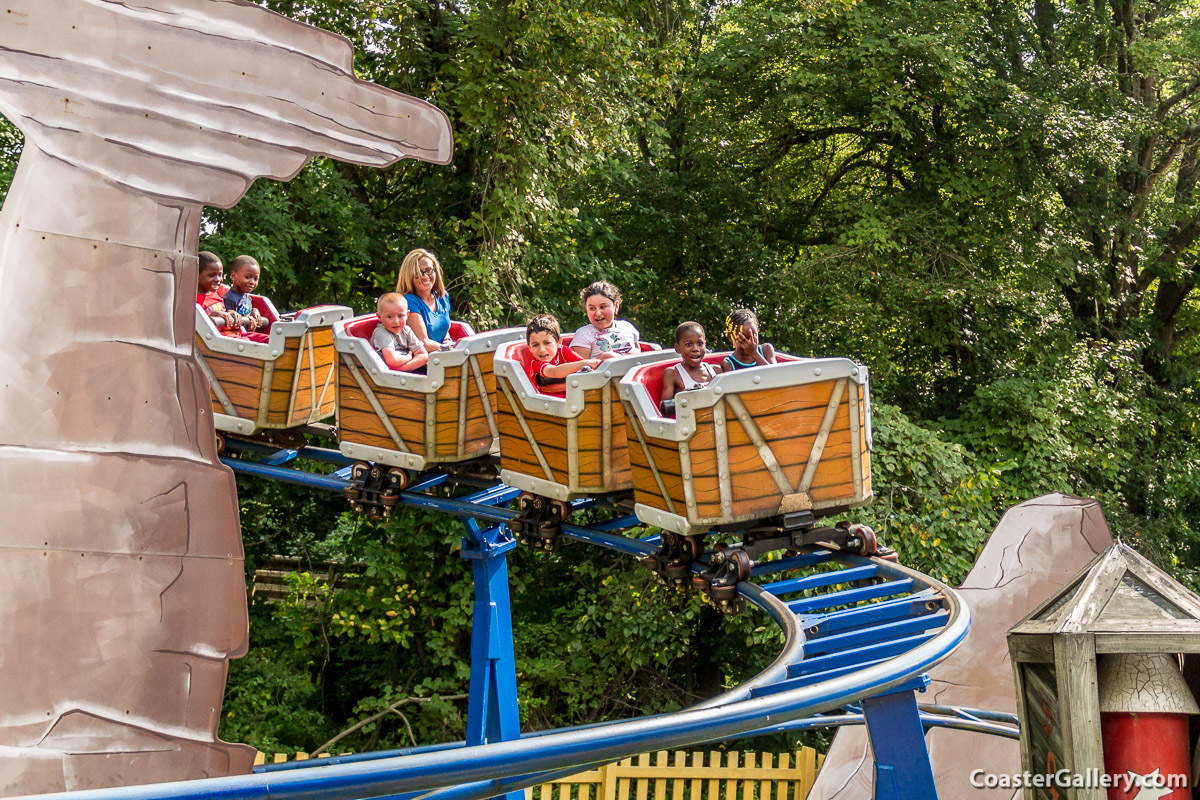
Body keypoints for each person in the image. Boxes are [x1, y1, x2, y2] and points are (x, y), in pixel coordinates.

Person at [526, 314, 600, 396]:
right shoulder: (536, 363)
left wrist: (564, 387)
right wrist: (585, 362)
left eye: (547, 343)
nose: (542, 349)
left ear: (559, 342)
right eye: (535, 345)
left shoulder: (564, 351)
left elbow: (586, 371)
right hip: (548, 402)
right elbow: (555, 372)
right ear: (530, 348)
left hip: (573, 398)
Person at [396, 248, 453, 352]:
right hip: (425, 360)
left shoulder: (442, 296)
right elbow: (424, 343)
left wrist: (447, 341)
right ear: (409, 277)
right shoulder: (408, 301)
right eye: (418, 273)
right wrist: (453, 350)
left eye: (429, 270)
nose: (425, 277)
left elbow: (443, 331)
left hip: (444, 354)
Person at [570, 281, 640, 360]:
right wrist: (602, 360)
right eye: (592, 308)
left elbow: (642, 359)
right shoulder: (583, 334)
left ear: (616, 306)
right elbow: (579, 368)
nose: (598, 313)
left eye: (603, 307)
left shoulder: (627, 327)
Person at [661, 321, 719, 405]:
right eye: (688, 344)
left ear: (705, 345)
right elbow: (665, 407)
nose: (695, 349)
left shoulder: (716, 371)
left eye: (700, 343)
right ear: (678, 348)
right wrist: (685, 397)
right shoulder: (673, 373)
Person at [372, 293, 429, 373]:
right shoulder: (382, 332)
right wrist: (409, 357)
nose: (396, 321)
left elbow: (423, 356)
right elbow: (393, 361)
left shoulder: (406, 330)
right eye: (390, 317)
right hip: (388, 378)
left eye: (400, 316)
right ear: (379, 317)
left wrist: (404, 368)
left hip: (403, 372)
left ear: (407, 315)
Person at [222, 255, 268, 335]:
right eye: (247, 277)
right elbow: (227, 326)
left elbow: (245, 316)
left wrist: (253, 312)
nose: (252, 282)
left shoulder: (248, 298)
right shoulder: (229, 299)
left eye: (255, 279)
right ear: (233, 276)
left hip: (244, 334)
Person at [196, 251, 237, 330]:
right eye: (212, 275)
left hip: (232, 333)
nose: (218, 279)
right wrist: (212, 316)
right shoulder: (193, 301)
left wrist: (230, 313)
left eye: (220, 275)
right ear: (196, 275)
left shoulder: (218, 293)